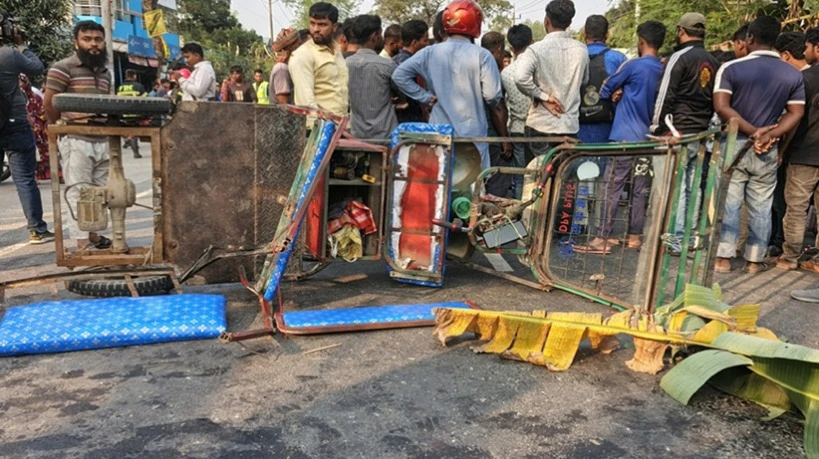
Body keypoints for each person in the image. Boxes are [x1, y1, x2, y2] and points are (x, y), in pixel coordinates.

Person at [713, 16, 805, 274]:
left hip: (735, 144)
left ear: (750, 38)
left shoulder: (731, 68)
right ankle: (754, 260)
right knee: (761, 206)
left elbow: (721, 107)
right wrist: (769, 135)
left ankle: (723, 258)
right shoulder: (792, 74)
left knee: (729, 203)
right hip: (768, 148)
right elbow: (796, 113)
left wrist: (753, 132)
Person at [574, 20, 666, 254]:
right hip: (647, 138)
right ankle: (635, 236)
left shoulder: (633, 65)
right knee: (639, 188)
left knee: (611, 187)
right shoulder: (663, 68)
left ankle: (602, 238)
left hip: (624, 135)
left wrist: (618, 93)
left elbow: (606, 89)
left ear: (641, 41)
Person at [392, 0, 502, 170]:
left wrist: (425, 97)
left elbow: (399, 75)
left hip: (439, 131)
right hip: (472, 134)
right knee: (473, 181)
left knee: (439, 179)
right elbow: (492, 95)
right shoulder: (482, 55)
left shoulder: (429, 52)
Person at [650, 13, 719, 246]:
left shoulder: (678, 57)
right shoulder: (713, 61)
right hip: (700, 132)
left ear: (681, 31)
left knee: (675, 188)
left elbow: (664, 95)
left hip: (676, 132)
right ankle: (690, 237)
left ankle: (676, 239)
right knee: (693, 186)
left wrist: (658, 128)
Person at [44, 20, 113, 249]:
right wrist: (60, 127)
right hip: (76, 140)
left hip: (102, 139)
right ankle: (82, 245)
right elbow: (50, 103)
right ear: (76, 42)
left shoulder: (105, 73)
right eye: (87, 39)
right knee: (78, 192)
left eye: (98, 39)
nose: (93, 44)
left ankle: (93, 234)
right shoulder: (62, 68)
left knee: (98, 193)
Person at [0, 22, 54, 244]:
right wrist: (21, 44)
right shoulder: (8, 54)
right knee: (24, 179)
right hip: (15, 122)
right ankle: (37, 230)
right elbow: (37, 67)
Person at [515, 0, 589, 158]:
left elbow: (520, 78)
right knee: (564, 172)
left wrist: (543, 97)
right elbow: (584, 81)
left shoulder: (535, 49)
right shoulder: (582, 50)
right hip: (568, 127)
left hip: (540, 126)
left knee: (536, 171)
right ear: (569, 23)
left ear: (546, 21)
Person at [777, 29, 819, 277]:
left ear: (817, 48)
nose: (805, 52)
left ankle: (790, 256)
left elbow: (795, 118)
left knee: (796, 208)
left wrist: (782, 149)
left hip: (804, 154)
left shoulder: (805, 78)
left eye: (807, 47)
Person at [768, 32, 811, 258]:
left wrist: (781, 150)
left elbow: (792, 118)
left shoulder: (797, 80)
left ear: (785, 55)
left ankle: (784, 249)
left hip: (798, 152)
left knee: (789, 205)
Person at [290, 2, 349, 129]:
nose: (316, 29)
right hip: (318, 131)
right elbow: (306, 104)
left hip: (341, 128)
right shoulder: (302, 55)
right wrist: (321, 132)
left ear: (334, 27)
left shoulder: (337, 51)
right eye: (312, 23)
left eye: (322, 24)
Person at [346, 14, 400, 139]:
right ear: (374, 36)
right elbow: (400, 91)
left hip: (357, 134)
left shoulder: (345, 64)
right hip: (386, 134)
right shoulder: (387, 65)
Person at [577, 14, 627, 143]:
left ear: (584, 34)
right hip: (610, 131)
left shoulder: (573, 57)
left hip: (578, 131)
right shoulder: (619, 59)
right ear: (607, 34)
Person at [502, 24, 534, 198]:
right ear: (532, 42)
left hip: (516, 129)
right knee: (538, 174)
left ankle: (518, 210)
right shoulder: (538, 69)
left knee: (520, 176)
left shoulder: (506, 73)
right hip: (538, 129)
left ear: (511, 48)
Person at [481, 31, 514, 197]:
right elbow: (497, 108)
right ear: (500, 48)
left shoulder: (476, 64)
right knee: (498, 179)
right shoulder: (491, 69)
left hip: (475, 133)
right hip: (492, 135)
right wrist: (504, 140)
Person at [393, 19, 430, 123]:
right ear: (414, 43)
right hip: (411, 118)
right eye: (425, 40)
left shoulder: (395, 60)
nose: (428, 44)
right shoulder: (409, 63)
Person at [19, 75, 53, 182]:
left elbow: (42, 111)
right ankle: (30, 176)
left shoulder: (35, 96)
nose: (20, 84)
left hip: (37, 129)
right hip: (22, 128)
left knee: (41, 151)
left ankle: (41, 175)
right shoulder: (15, 97)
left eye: (21, 82)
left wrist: (34, 119)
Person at [270, 28, 309, 105]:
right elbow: (284, 105)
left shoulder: (289, 67)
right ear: (291, 47)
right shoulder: (281, 70)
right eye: (299, 45)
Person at [117, 69, 146, 158]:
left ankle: (128, 140)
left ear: (126, 76)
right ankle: (136, 153)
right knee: (134, 133)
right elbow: (145, 100)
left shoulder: (120, 87)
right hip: (136, 114)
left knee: (129, 131)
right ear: (134, 76)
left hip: (124, 114)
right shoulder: (138, 86)